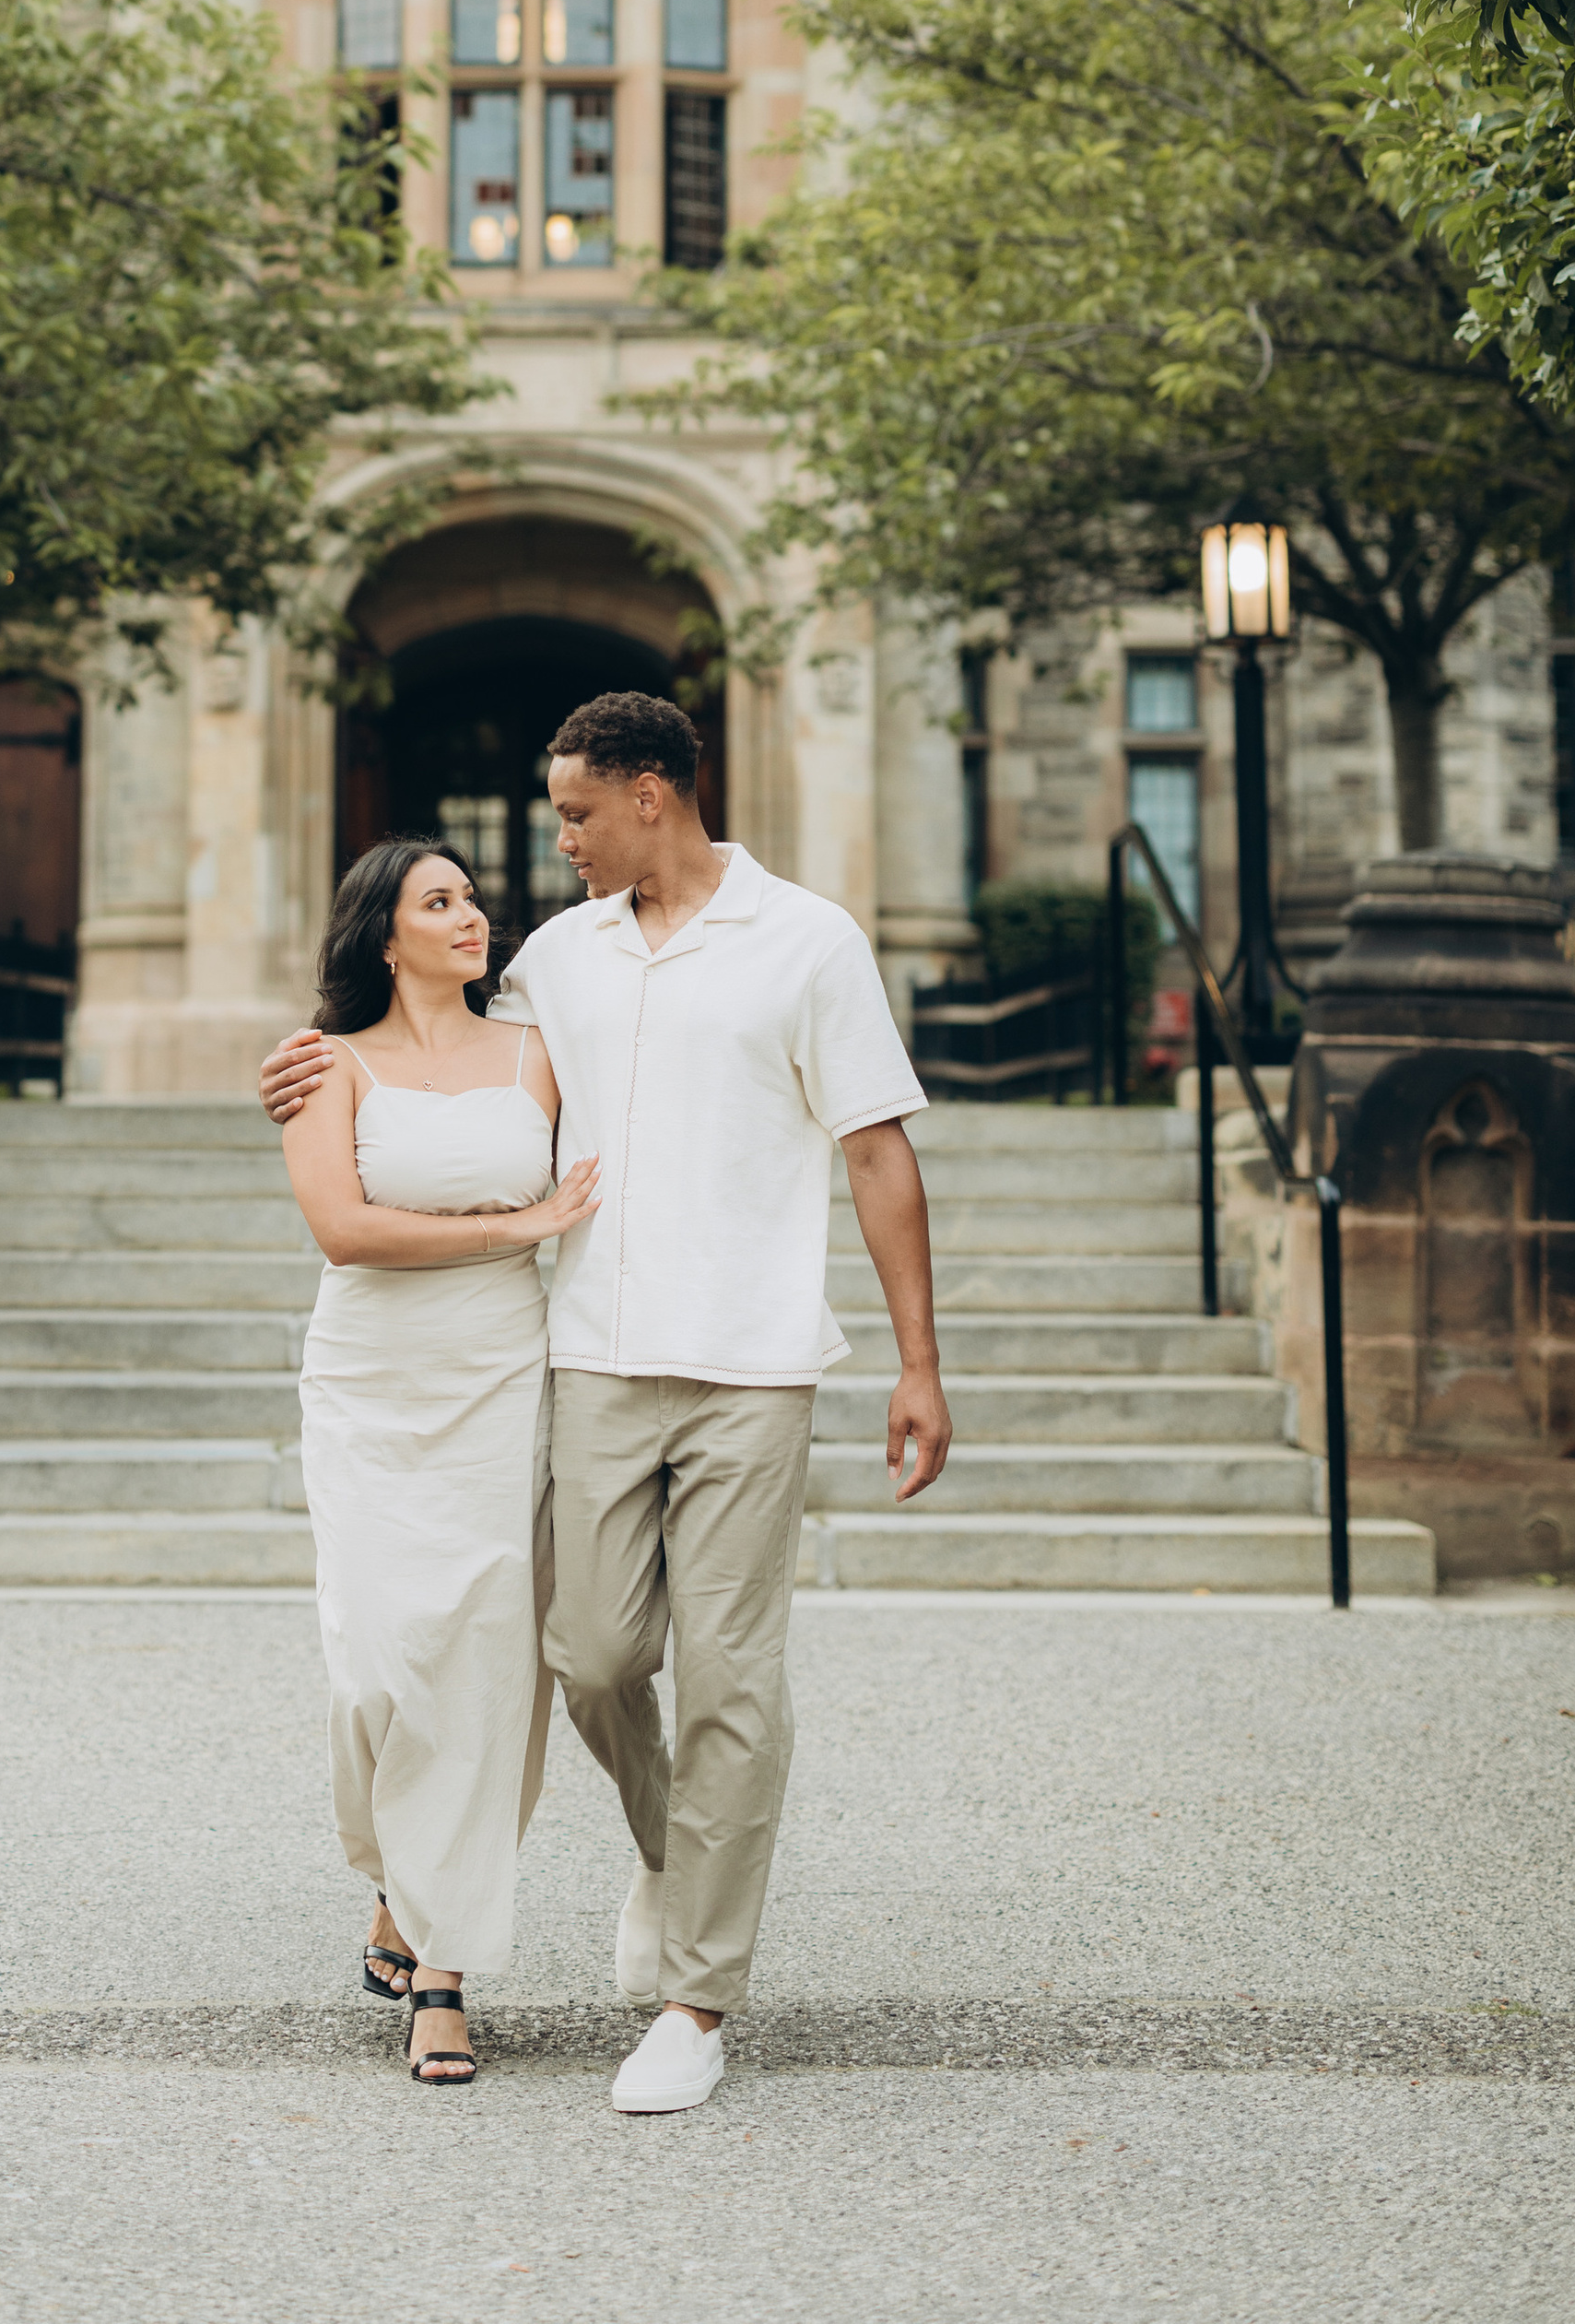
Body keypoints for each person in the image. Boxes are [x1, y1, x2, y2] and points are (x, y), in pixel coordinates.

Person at [263, 690, 949, 2113]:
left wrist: (918, 1363)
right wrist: (304, 1054)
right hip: (585, 1354)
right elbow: (432, 1057)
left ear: (653, 793)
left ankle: (698, 2003)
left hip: (753, 1360)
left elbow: (880, 1153)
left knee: (733, 1679)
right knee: (583, 1653)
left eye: (575, 810)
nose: (555, 840)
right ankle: (677, 1852)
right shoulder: (558, 965)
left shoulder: (811, 941)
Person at [277, 834, 598, 2086]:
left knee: (478, 1663)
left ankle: (442, 1969)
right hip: (369, 1381)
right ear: (384, 933)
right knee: (373, 1663)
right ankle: (395, 1882)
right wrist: (520, 1225)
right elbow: (345, 1233)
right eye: (441, 901)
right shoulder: (325, 1064)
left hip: (503, 1376)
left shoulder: (538, 1050)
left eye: (471, 897)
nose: (472, 916)